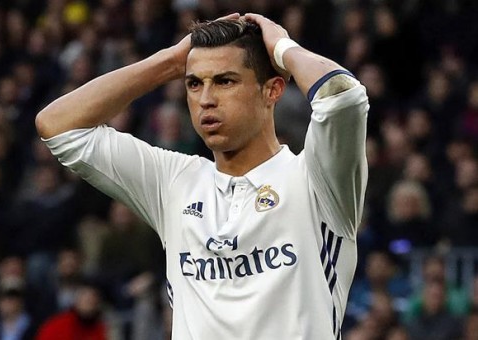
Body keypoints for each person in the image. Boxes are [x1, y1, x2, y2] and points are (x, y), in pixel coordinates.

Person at [36, 12, 369, 339]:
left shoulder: (317, 179)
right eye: (194, 84)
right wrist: (169, 63)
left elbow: (342, 96)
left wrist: (281, 47)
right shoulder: (175, 182)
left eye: (225, 81)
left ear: (273, 90)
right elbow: (58, 126)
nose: (206, 100)